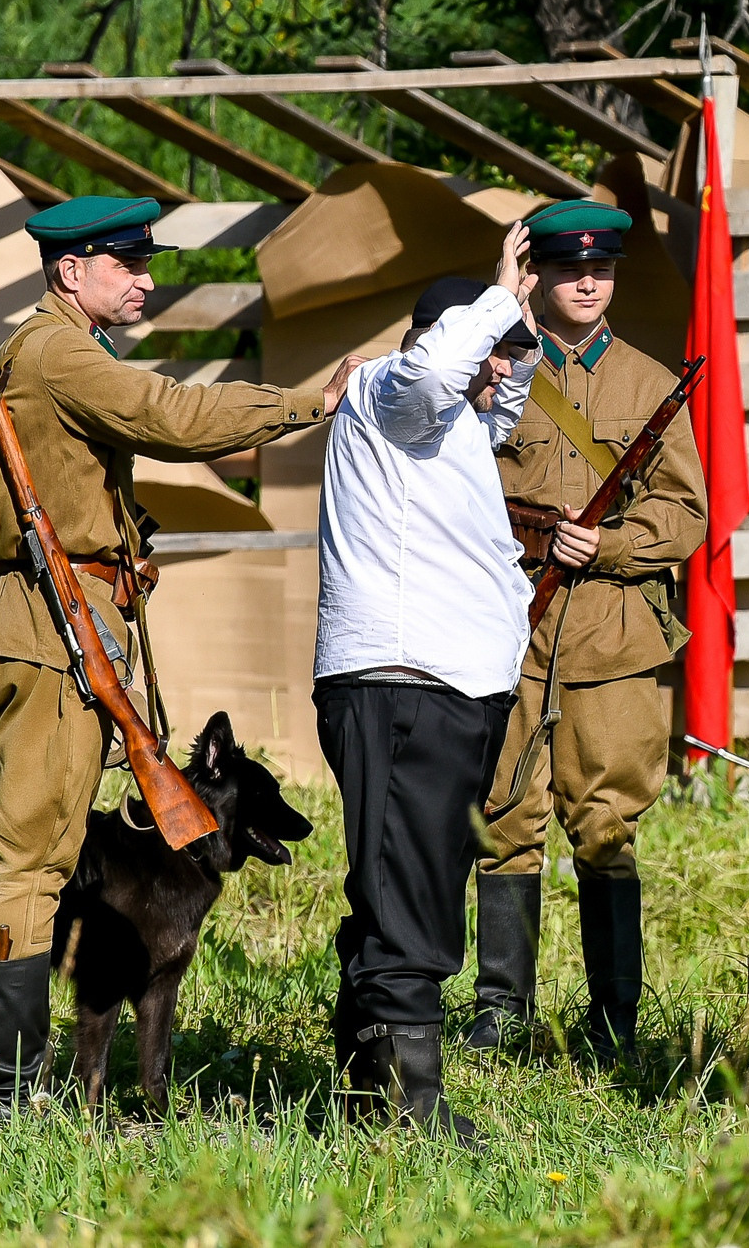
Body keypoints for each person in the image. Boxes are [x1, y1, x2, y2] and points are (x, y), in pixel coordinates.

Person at [0, 195, 353, 1110]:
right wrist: (303, 404)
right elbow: (172, 415)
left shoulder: (57, 348)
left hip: (63, 618)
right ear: (69, 269)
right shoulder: (59, 352)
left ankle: (19, 1081)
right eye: (127, 263)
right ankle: (3, 1093)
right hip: (49, 629)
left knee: (41, 853)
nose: (147, 279)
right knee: (32, 860)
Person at [315, 227, 543, 1143]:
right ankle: (409, 1100)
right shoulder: (387, 392)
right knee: (407, 887)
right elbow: (433, 376)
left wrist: (515, 326)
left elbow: (494, 411)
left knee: (406, 878)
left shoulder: (445, 431)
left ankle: (370, 1083)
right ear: (452, 341)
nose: (500, 375)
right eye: (491, 356)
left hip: (442, 689)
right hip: (404, 685)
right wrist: (493, 298)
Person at [467, 200, 705, 1059]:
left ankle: (614, 1025)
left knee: (607, 826)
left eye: (601, 267)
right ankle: (502, 1014)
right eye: (571, 268)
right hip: (511, 631)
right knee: (503, 819)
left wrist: (610, 543)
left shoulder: (650, 383)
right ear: (537, 275)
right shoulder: (496, 374)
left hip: (614, 636)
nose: (590, 280)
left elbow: (687, 513)